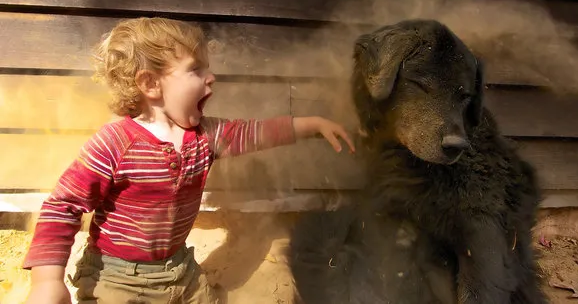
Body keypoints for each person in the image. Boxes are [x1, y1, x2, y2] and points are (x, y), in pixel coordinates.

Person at [22, 16, 355, 304]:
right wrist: (47, 281)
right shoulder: (114, 144)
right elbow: (62, 206)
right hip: (117, 278)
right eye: (196, 69)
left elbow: (256, 132)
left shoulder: (205, 136)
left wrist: (310, 125)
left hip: (180, 269)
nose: (211, 78)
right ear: (150, 84)